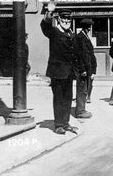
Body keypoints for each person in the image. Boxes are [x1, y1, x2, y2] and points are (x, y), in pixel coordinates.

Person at [40, 7, 80, 135]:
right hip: (57, 72)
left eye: (68, 18)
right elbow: (45, 26)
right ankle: (58, 125)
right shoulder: (54, 32)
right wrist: (49, 13)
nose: (66, 20)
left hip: (69, 72)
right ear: (59, 19)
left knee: (68, 98)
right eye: (64, 18)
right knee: (58, 98)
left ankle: (66, 123)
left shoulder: (71, 34)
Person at [74, 19, 96, 117]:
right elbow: (79, 54)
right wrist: (82, 69)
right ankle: (80, 111)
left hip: (88, 68)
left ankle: (82, 109)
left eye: (89, 27)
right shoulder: (80, 37)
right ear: (84, 28)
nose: (89, 29)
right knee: (82, 89)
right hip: (83, 69)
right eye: (88, 27)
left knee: (85, 89)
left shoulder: (85, 37)